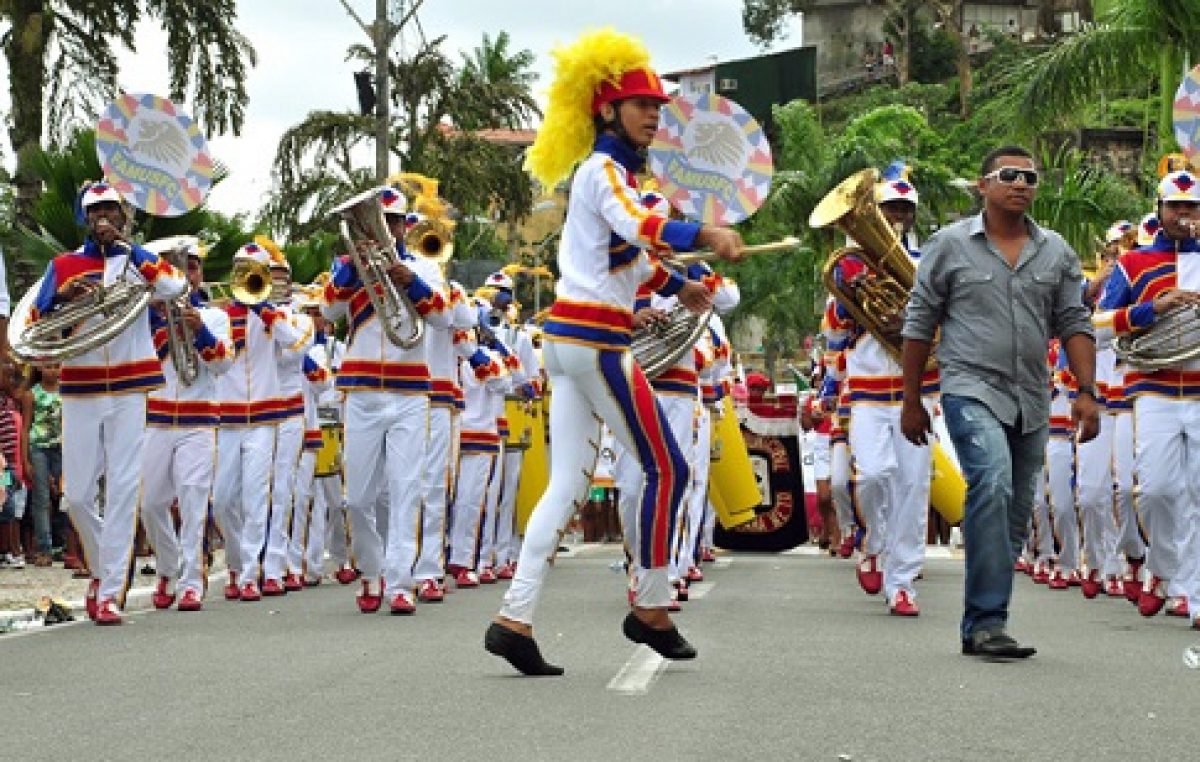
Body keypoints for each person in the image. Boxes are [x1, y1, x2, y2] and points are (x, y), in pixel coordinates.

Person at [484, 28, 743, 677]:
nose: (653, 114)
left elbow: (635, 262)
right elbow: (642, 226)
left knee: (567, 482)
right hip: (596, 341)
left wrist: (685, 284)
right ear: (606, 110)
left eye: (657, 105)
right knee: (669, 469)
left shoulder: (604, 174)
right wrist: (705, 232)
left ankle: (514, 618)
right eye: (640, 105)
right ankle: (651, 607)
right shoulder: (605, 171)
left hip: (569, 342)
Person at [900, 146, 1099, 657]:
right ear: (983, 185)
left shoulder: (1056, 252)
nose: (1021, 184)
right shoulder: (947, 246)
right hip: (969, 387)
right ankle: (989, 621)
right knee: (991, 480)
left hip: (1031, 396)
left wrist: (1086, 391)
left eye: (1030, 176)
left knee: (1014, 511)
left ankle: (982, 622)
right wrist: (911, 399)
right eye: (1009, 175)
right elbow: (919, 324)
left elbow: (1075, 323)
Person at [30, 181, 186, 624]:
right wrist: (64, 298)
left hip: (131, 385)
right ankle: (105, 568)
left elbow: (174, 289)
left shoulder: (141, 263)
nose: (104, 219)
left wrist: (130, 250)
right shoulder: (64, 265)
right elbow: (39, 323)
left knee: (122, 489)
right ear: (84, 217)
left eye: (112, 212)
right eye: (96, 212)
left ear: (124, 216)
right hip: (81, 386)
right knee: (77, 497)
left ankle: (111, 587)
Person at [825, 162, 933, 617]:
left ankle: (903, 580)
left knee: (913, 484)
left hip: (920, 389)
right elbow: (834, 332)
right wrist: (829, 392)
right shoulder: (851, 265)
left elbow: (950, 319)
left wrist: (915, 318)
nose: (895, 218)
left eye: (902, 210)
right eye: (887, 209)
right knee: (872, 475)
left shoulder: (929, 262)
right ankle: (874, 540)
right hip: (868, 389)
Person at [1097, 170, 1200, 629]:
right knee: (1157, 490)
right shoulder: (1133, 263)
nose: (1184, 214)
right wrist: (1150, 309)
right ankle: (1160, 566)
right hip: (1153, 388)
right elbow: (1098, 323)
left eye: (1192, 207)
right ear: (1160, 211)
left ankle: (1192, 595)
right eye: (1176, 206)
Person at [141, 237, 233, 611]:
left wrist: (200, 332)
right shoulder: (145, 317)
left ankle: (192, 580)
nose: (184, 273)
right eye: (176, 266)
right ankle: (167, 567)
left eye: (191, 266)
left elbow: (223, 363)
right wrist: (159, 320)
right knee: (150, 504)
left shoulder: (214, 316)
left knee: (194, 501)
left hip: (198, 420)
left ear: (200, 274)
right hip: (157, 420)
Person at [26, 364, 61, 567]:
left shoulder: (65, 390)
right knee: (41, 499)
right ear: (39, 368)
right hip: (38, 448)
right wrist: (26, 459)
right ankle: (44, 548)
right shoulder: (33, 394)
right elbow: (26, 427)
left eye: (56, 366)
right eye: (48, 366)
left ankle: (63, 545)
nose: (52, 371)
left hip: (61, 447)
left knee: (63, 497)